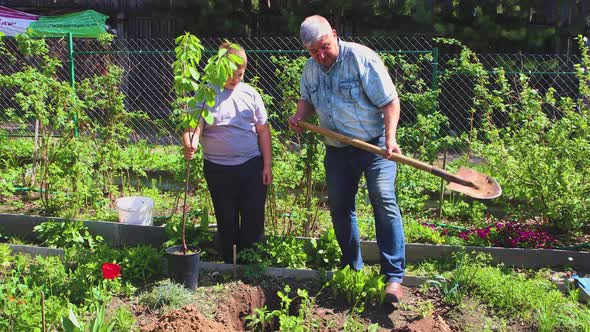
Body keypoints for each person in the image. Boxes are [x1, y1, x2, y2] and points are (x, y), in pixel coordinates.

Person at [288, 15, 405, 303]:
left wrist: (390, 139)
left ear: (335, 35)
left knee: (383, 200)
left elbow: (390, 102)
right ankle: (353, 267)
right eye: (314, 51)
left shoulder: (361, 59)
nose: (321, 55)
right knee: (340, 207)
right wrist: (300, 115)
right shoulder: (310, 69)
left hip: (375, 147)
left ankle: (393, 278)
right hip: (337, 150)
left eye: (325, 47)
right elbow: (307, 100)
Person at [183, 42, 273, 264]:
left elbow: (263, 130)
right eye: (231, 74)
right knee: (226, 218)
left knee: (253, 217)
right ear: (220, 69)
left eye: (240, 74)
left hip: (251, 165)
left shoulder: (250, 94)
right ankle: (229, 263)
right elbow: (193, 127)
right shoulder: (205, 95)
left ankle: (249, 262)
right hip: (218, 169)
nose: (235, 79)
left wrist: (267, 165)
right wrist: (190, 143)